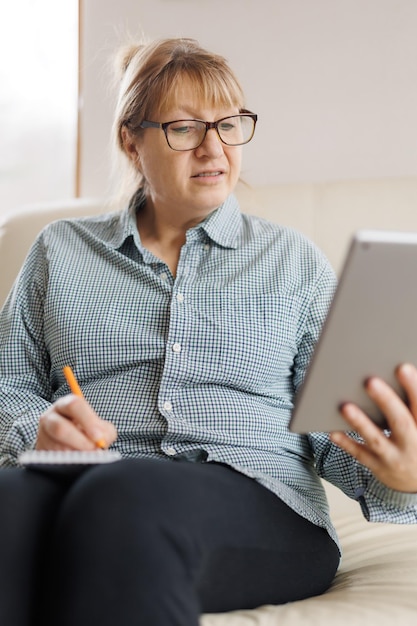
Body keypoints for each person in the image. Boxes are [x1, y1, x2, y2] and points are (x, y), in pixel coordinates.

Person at [1, 37, 417, 626]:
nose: (214, 147)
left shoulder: (292, 263)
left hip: (260, 500)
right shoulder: (59, 253)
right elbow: (7, 383)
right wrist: (35, 430)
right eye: (185, 128)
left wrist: (404, 477)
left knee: (127, 497)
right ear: (132, 141)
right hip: (92, 482)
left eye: (229, 125)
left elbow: (333, 435)